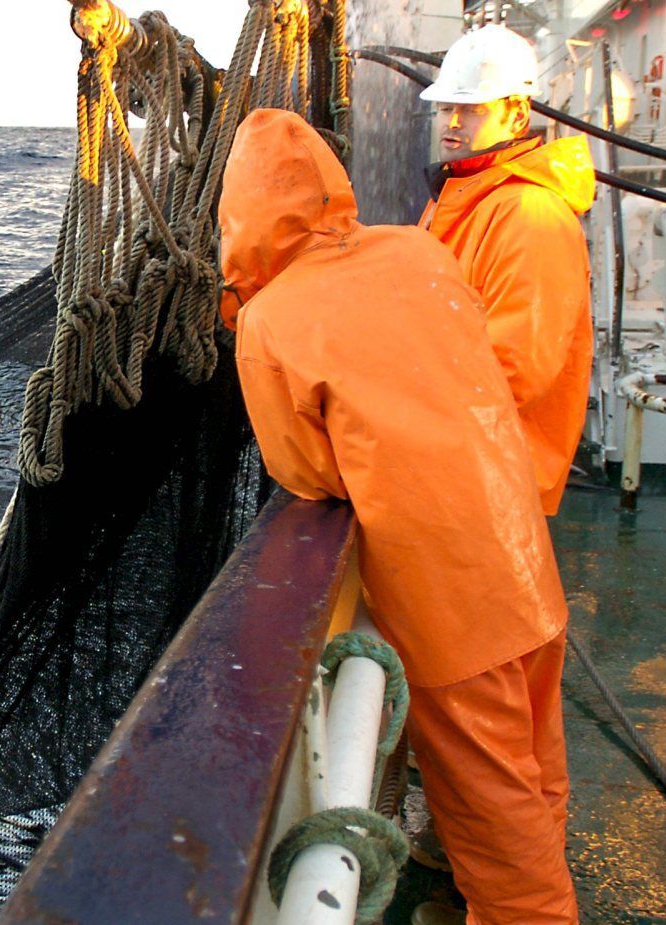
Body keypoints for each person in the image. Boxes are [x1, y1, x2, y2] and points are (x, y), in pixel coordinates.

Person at [217, 108, 579, 925]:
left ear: (238, 215)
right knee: (536, 762)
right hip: (523, 556)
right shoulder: (414, 247)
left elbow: (305, 472)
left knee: (498, 821)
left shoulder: (270, 322)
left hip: (451, 606)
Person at [418, 23, 597, 517]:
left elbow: (514, 371)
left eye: (472, 108)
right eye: (445, 107)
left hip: (494, 483)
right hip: (460, 467)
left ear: (516, 113)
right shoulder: (463, 197)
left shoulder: (529, 213)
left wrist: (392, 406)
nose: (452, 121)